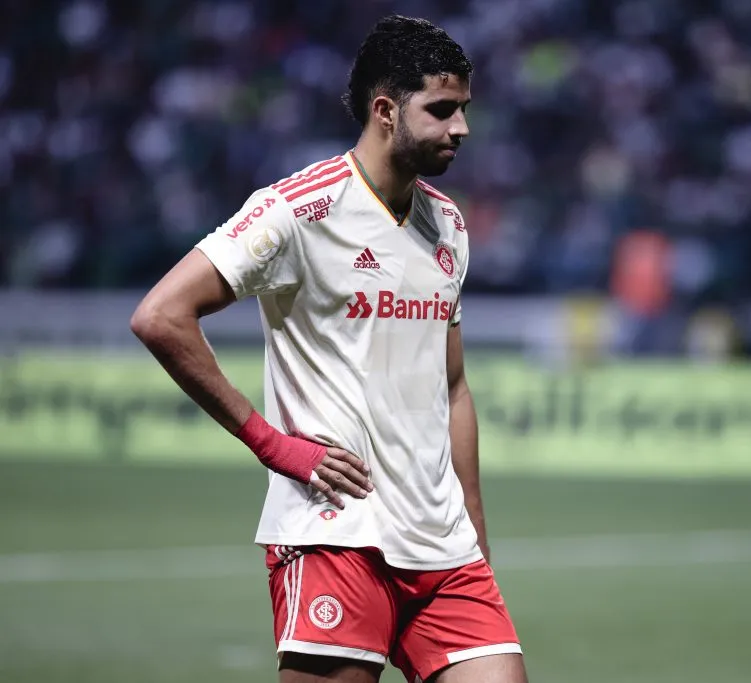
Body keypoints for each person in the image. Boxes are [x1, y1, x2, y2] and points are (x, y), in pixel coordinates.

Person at [130, 15, 528, 683]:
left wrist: (475, 534)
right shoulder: (298, 210)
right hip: (334, 532)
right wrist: (273, 445)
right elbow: (161, 316)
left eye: (463, 109)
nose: (461, 127)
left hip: (442, 544)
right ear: (385, 110)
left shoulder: (449, 224)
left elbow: (454, 387)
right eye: (441, 110)